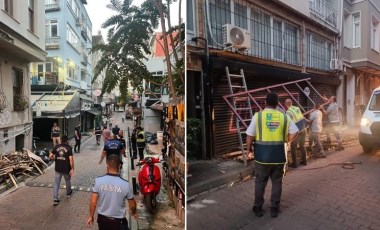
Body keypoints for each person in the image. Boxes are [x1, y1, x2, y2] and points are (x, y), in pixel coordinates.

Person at [246, 92, 298, 218]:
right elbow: (295, 132)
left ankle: (258, 208)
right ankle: (274, 208)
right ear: (277, 103)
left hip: (262, 158)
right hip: (278, 157)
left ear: (265, 102)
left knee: (260, 183)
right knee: (277, 182)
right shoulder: (284, 117)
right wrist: (286, 141)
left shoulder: (258, 116)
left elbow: (250, 136)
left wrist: (249, 151)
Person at [87, 154, 138, 229]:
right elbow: (132, 205)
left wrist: (91, 216)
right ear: (120, 167)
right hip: (119, 222)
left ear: (107, 167)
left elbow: (93, 202)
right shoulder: (126, 184)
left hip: (102, 220)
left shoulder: (98, 181)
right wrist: (134, 213)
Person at [49, 135, 74, 206]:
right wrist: (72, 168)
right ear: (67, 141)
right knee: (67, 181)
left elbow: (50, 156)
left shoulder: (56, 147)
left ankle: (55, 199)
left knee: (56, 183)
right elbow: (71, 159)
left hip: (58, 168)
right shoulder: (69, 148)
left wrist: (55, 159)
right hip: (66, 168)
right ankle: (68, 193)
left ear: (61, 140)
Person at [285, 99, 309, 168]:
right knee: (302, 145)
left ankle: (294, 164)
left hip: (297, 131)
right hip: (304, 129)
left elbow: (288, 124)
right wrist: (307, 121)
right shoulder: (296, 108)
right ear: (291, 103)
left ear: (286, 105)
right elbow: (302, 116)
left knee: (293, 147)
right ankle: (305, 161)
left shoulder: (288, 112)